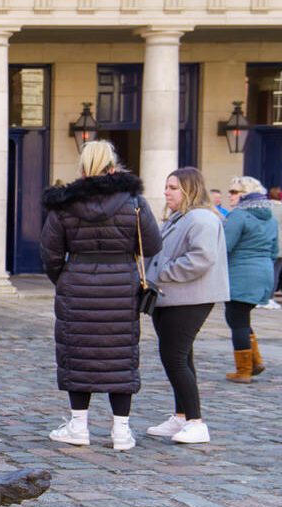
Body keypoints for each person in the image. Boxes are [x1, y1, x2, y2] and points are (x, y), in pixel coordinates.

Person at [39, 140, 161, 451]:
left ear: (81, 167)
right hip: (121, 286)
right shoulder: (133, 201)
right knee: (119, 357)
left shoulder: (64, 203)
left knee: (77, 355)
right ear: (113, 165)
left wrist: (66, 279)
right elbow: (152, 244)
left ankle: (78, 426)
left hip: (77, 285)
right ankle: (121, 431)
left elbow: (50, 253)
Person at [144, 167, 227, 445]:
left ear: (189, 189)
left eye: (173, 188)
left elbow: (201, 258)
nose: (166, 192)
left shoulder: (201, 218)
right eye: (167, 187)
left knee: (175, 357)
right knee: (181, 357)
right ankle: (182, 416)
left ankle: (195, 421)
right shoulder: (181, 217)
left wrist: (163, 271)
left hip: (189, 297)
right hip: (172, 297)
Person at [221, 176, 278, 383]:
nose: (230, 195)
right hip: (264, 273)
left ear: (245, 195)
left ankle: (243, 370)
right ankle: (255, 361)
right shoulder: (271, 218)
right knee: (242, 318)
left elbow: (225, 246)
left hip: (242, 273)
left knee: (236, 319)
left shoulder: (239, 216)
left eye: (234, 192)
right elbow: (275, 250)